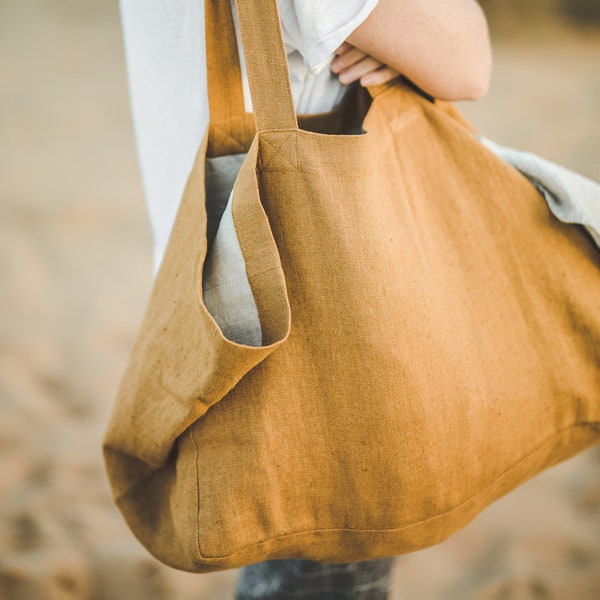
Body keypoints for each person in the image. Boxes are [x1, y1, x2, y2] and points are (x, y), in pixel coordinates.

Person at [118, 1, 491, 598]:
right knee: (323, 563)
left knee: (284, 554)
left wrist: (395, 38)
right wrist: (414, 39)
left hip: (212, 292)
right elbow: (469, 63)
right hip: (330, 328)